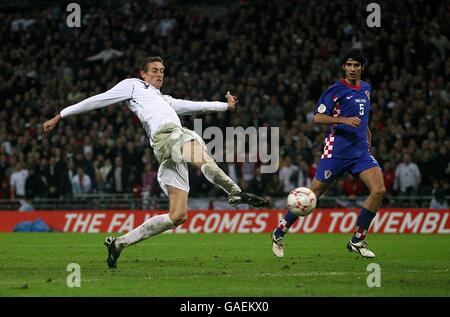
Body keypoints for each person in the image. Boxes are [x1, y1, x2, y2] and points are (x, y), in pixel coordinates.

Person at [43, 56, 269, 268]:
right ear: (143, 73)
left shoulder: (164, 99)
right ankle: (235, 191)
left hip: (169, 150)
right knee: (200, 154)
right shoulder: (133, 85)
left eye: (162, 71)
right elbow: (98, 100)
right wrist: (61, 115)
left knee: (178, 215)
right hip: (168, 136)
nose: (159, 74)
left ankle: (119, 243)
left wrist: (224, 106)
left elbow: (191, 104)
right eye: (154, 71)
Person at [271, 48, 386, 258]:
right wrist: (343, 120)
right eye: (349, 65)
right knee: (312, 196)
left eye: (356, 65)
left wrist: (368, 134)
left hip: (360, 151)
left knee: (379, 190)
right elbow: (318, 117)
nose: (352, 69)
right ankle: (279, 231)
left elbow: (363, 116)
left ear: (362, 68)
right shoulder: (335, 90)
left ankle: (357, 239)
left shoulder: (367, 89)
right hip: (337, 150)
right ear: (344, 67)